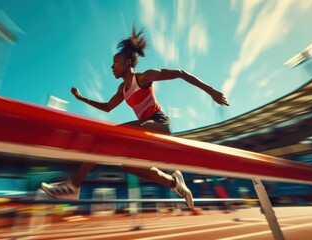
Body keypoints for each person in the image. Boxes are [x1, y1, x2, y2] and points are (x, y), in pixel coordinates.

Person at [41, 26, 229, 209]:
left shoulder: (143, 78)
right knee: (128, 165)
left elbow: (179, 74)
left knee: (106, 136)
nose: (112, 66)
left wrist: (212, 92)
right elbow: (107, 107)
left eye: (116, 62)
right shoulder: (122, 90)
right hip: (146, 132)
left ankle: (73, 185)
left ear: (128, 62)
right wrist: (81, 98)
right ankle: (174, 182)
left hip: (159, 124)